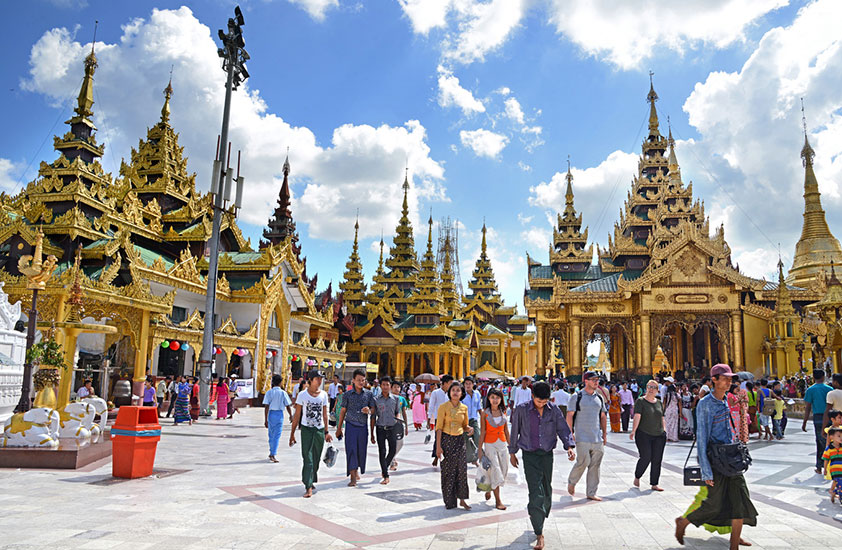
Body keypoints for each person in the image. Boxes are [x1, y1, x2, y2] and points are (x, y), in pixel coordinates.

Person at [675, 364, 757, 550]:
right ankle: (683, 522)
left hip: (731, 458)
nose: (729, 382)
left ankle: (734, 543)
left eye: (730, 379)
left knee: (741, 500)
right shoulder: (705, 404)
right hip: (717, 460)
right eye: (725, 378)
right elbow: (702, 438)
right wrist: (706, 471)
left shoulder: (726, 400)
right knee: (714, 504)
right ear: (714, 380)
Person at [509, 381, 575, 550]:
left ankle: (537, 510)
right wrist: (512, 452)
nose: (541, 404)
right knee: (535, 491)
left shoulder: (553, 410)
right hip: (530, 455)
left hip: (546, 455)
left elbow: (563, 429)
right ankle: (539, 532)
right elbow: (515, 429)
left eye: (544, 402)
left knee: (546, 490)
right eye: (539, 401)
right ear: (532, 397)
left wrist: (569, 446)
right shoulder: (522, 409)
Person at [289, 370, 331, 498]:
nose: (319, 381)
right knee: (308, 457)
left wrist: (327, 432)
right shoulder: (302, 395)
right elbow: (297, 415)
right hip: (307, 429)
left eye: (321, 379)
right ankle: (308, 486)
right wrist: (292, 433)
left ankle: (311, 479)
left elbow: (325, 415)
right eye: (317, 378)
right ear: (311, 380)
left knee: (316, 458)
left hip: (319, 429)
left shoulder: (323, 395)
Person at [566, 371, 607, 501]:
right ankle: (572, 481)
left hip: (597, 437)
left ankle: (591, 492)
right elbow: (570, 415)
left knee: (595, 465)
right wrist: (570, 433)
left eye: (597, 380)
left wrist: (604, 434)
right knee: (583, 462)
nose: (596, 382)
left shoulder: (599, 398)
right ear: (586, 381)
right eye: (593, 380)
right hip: (582, 436)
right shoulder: (576, 397)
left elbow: (603, 416)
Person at [435, 381, 473, 510]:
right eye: (453, 390)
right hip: (446, 440)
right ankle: (450, 501)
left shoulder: (464, 408)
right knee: (448, 471)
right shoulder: (443, 407)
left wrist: (470, 429)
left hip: (459, 441)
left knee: (462, 470)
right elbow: (439, 428)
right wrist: (438, 447)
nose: (455, 392)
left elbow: (464, 425)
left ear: (462, 393)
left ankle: (462, 499)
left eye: (458, 390)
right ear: (449, 392)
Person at [336, 369, 376, 487]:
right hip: (350, 426)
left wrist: (369, 410)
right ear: (353, 380)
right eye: (358, 380)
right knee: (351, 450)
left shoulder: (368, 394)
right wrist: (339, 428)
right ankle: (352, 476)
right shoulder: (347, 395)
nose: (360, 382)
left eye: (363, 380)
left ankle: (356, 470)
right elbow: (343, 410)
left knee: (360, 451)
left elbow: (373, 409)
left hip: (363, 427)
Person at [630, 380, 666, 491]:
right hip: (643, 433)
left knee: (657, 459)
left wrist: (664, 430)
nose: (651, 389)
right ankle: (637, 476)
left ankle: (654, 483)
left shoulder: (659, 402)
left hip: (659, 434)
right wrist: (633, 431)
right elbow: (637, 416)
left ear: (657, 390)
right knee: (646, 457)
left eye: (653, 387)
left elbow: (662, 417)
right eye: (649, 387)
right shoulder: (640, 401)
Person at [478, 388, 510, 511]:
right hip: (489, 444)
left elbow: (506, 431)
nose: (495, 400)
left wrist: (511, 447)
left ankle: (491, 487)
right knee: (496, 469)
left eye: (497, 398)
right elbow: (482, 432)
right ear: (489, 399)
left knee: (503, 469)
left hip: (502, 443)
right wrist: (480, 449)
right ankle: (498, 500)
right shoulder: (484, 413)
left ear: (501, 399)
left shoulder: (504, 412)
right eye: (492, 397)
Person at [371, 377, 402, 485]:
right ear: (380, 386)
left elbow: (398, 411)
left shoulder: (396, 399)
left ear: (390, 386)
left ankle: (385, 465)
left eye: (387, 385)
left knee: (392, 450)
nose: (385, 387)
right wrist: (371, 433)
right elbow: (373, 416)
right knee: (382, 451)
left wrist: (397, 420)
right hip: (380, 428)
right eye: (383, 385)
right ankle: (385, 474)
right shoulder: (376, 399)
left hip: (392, 427)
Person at [802, 369, 832, 474]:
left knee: (820, 441)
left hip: (818, 418)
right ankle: (829, 465)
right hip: (830, 417)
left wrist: (805, 421)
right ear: (823, 377)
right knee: (831, 441)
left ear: (813, 378)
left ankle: (819, 466)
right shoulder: (829, 389)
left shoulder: (811, 389)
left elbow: (808, 407)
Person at [263, 374, 293, 463]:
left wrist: (266, 419)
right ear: (280, 382)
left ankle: (272, 451)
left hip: (271, 414)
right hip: (279, 415)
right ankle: (273, 453)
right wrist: (291, 416)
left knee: (271, 434)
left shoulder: (269, 392)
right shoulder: (283, 393)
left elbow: (266, 406)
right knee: (277, 435)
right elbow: (288, 406)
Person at [429, 375, 453, 466]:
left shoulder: (450, 393)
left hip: (449, 418)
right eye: (450, 383)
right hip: (438, 418)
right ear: (445, 383)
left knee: (448, 438)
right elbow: (431, 405)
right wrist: (428, 419)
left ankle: (446, 457)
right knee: (438, 438)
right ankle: (436, 456)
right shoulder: (435, 393)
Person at [462, 377, 482, 465]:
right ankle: (469, 459)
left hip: (474, 419)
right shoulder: (462, 395)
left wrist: (484, 418)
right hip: (464, 420)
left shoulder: (477, 394)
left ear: (473, 384)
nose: (468, 385)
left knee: (477, 437)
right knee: (466, 440)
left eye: (470, 383)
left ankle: (475, 458)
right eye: (466, 384)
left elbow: (479, 407)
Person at [823, 427, 842, 503]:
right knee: (837, 480)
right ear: (832, 437)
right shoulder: (829, 449)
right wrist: (825, 469)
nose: (841, 438)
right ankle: (836, 492)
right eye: (839, 436)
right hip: (834, 469)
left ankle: (833, 491)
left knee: (837, 482)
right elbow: (826, 459)